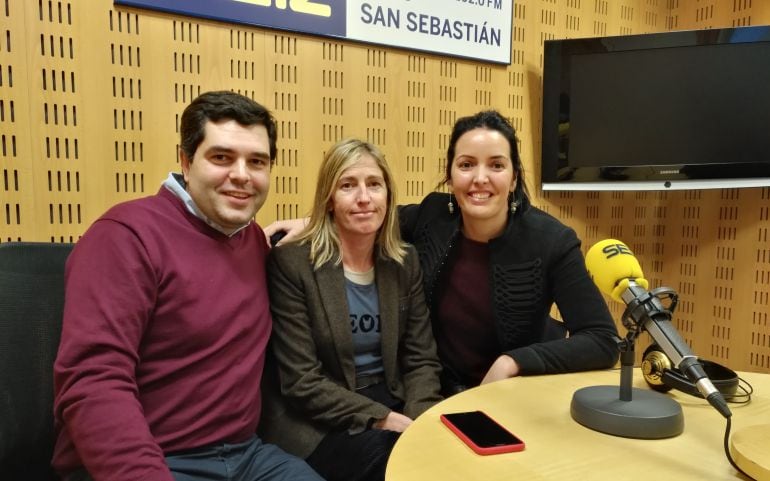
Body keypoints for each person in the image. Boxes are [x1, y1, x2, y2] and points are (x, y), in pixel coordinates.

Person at [52, 91, 322, 481]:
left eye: (257, 162)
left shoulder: (253, 241)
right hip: (152, 461)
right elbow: (93, 381)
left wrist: (315, 227)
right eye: (222, 157)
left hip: (246, 455)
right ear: (185, 160)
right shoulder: (124, 237)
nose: (242, 175)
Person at [265, 111, 619, 395]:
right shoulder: (434, 215)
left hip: (514, 394)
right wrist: (311, 221)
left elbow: (602, 339)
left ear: (513, 178)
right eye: (466, 165)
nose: (480, 178)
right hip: (437, 390)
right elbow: (368, 213)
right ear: (450, 175)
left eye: (496, 165)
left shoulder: (551, 240)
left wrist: (514, 362)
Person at [259, 138, 442, 481]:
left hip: (392, 398)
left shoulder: (405, 262)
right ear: (329, 199)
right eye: (348, 185)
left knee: (447, 454)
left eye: (374, 184)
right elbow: (301, 382)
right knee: (391, 465)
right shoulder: (292, 264)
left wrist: (420, 420)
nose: (363, 198)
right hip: (317, 419)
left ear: (387, 196)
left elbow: (421, 359)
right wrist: (381, 419)